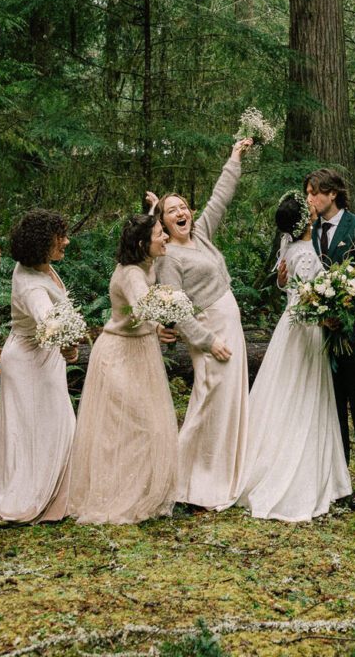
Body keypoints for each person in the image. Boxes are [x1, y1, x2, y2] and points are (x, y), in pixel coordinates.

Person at [65, 214, 231, 524]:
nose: (166, 237)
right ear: (144, 244)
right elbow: (142, 305)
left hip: (141, 350)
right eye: (160, 234)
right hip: (120, 353)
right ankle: (118, 497)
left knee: (148, 424)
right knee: (135, 425)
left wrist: (157, 328)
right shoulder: (131, 274)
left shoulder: (147, 264)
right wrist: (167, 318)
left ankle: (141, 493)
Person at [149, 136, 255, 511]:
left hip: (231, 330)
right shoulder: (168, 258)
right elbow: (177, 309)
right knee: (208, 403)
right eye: (171, 210)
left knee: (228, 404)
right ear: (162, 222)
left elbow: (220, 197)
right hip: (211, 335)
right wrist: (207, 341)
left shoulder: (202, 235)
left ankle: (220, 475)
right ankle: (181, 482)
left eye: (183, 207)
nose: (181, 213)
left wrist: (234, 157)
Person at [236, 193, 351, 521]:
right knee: (301, 397)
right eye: (309, 208)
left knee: (284, 394)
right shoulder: (303, 252)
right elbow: (304, 298)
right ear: (306, 220)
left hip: (290, 330)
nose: (314, 209)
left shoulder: (290, 247)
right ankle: (295, 476)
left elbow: (285, 283)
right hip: (304, 329)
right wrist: (325, 314)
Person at [296, 167, 355, 508]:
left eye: (314, 193)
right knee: (332, 410)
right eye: (307, 194)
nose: (310, 200)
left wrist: (341, 310)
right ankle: (338, 477)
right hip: (322, 337)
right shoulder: (309, 232)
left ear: (332, 194)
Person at [0, 209, 80, 525]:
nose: (66, 242)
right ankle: (30, 497)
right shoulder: (30, 283)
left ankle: (60, 494)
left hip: (43, 358)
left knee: (58, 426)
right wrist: (65, 341)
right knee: (33, 432)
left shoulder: (39, 268)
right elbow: (47, 320)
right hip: (29, 361)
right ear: (43, 242)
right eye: (61, 238)